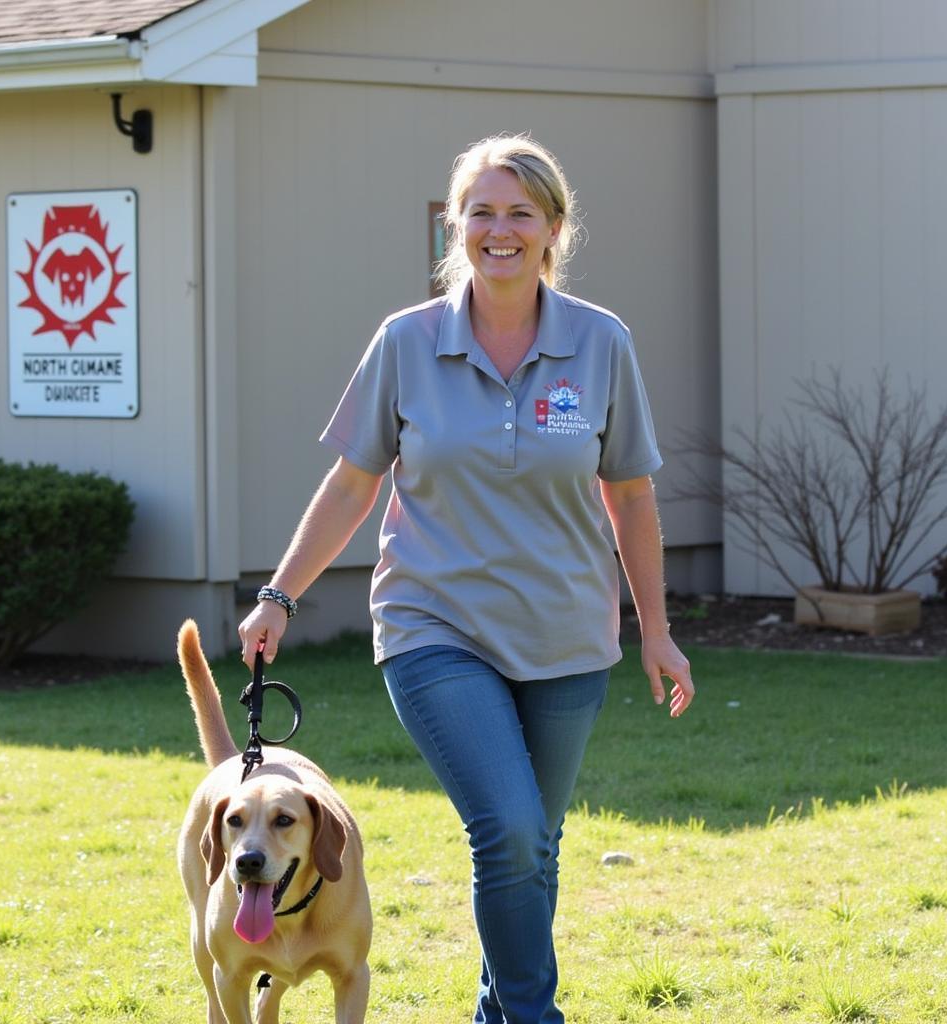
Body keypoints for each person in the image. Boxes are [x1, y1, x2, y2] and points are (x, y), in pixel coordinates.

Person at [238, 134, 695, 1024]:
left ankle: (498, 1008)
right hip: (432, 626)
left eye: (521, 212)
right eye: (481, 211)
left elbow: (632, 495)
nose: (500, 230)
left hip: (566, 635)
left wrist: (657, 629)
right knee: (512, 830)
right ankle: (532, 1017)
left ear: (554, 227)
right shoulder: (406, 344)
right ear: (454, 224)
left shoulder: (602, 345)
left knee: (534, 845)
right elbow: (352, 483)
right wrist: (278, 593)